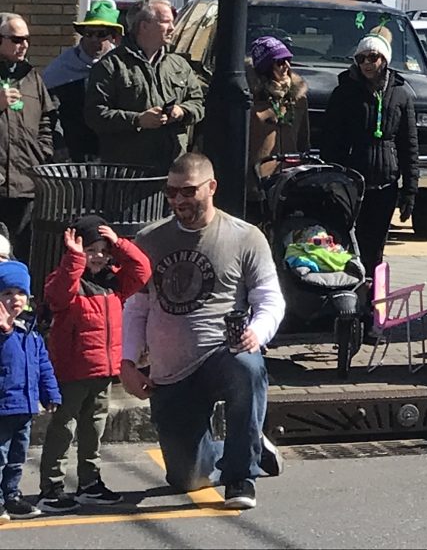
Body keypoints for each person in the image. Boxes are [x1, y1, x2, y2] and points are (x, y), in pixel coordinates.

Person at [120, 152, 283, 511]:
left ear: (211, 187)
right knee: (187, 478)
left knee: (248, 368)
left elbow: (270, 298)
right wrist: (128, 362)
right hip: (171, 368)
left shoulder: (245, 237)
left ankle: (242, 475)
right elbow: (137, 306)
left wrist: (258, 332)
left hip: (222, 353)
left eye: (189, 191)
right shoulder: (149, 239)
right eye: (172, 192)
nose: (179, 200)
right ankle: (250, 444)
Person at [36, 217, 149, 514]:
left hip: (102, 369)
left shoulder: (114, 283)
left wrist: (121, 243)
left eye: (103, 249)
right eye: (90, 249)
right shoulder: (67, 280)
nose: (98, 256)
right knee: (64, 426)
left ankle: (90, 482)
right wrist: (74, 257)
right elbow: (58, 294)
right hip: (72, 370)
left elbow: (142, 271)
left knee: (94, 428)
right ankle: (52, 485)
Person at [319, 33, 417, 275]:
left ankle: (371, 302)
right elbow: (331, 141)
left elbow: (409, 144)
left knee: (376, 246)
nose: (366, 63)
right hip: (352, 182)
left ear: (384, 59)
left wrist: (410, 190)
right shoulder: (344, 93)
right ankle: (349, 294)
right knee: (349, 243)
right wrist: (332, 180)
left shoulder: (401, 93)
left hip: (386, 182)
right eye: (361, 58)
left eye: (372, 57)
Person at [86, 0, 204, 171]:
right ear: (144, 26)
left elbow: (198, 102)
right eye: (165, 22)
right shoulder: (111, 66)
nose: (172, 28)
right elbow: (95, 115)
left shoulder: (178, 65)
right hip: (129, 174)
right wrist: (138, 120)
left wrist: (182, 111)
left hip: (172, 171)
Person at [0, 261, 58, 518]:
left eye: (20, 293)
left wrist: (50, 393)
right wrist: (4, 331)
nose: (15, 299)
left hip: (25, 405)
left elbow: (42, 365)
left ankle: (11, 494)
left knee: (17, 456)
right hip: (3, 406)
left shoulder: (30, 331)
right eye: (7, 293)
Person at [0, 17, 53, 251]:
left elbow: (46, 120)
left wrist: (43, 151)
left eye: (27, 40)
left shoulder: (31, 77)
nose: (24, 45)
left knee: (20, 251)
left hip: (25, 183)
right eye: (17, 39)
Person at [44, 3, 122, 162]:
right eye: (88, 33)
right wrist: (58, 144)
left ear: (113, 37)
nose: (94, 39)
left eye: (101, 34)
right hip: (74, 154)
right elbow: (50, 113)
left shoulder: (123, 68)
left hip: (114, 153)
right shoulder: (61, 68)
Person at [244, 36, 308, 195]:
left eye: (288, 60)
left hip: (290, 182)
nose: (286, 66)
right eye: (280, 62)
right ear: (265, 68)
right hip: (256, 185)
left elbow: (303, 141)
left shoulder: (298, 98)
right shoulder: (250, 102)